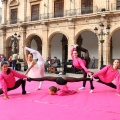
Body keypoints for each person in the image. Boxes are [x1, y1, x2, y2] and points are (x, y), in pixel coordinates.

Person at [26, 76, 93, 96]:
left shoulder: (60, 91)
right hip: (60, 80)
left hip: (60, 80)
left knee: (44, 78)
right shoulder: (59, 90)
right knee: (76, 79)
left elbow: (68, 91)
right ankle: (89, 78)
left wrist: (31, 79)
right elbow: (68, 91)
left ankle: (89, 78)